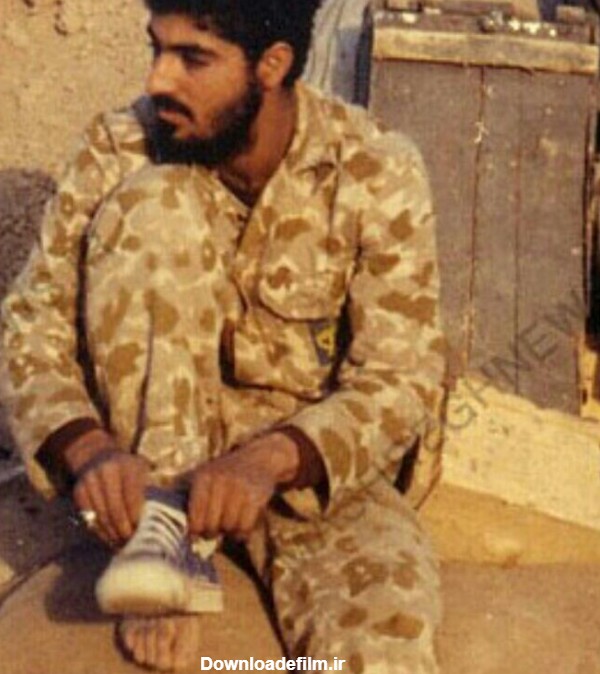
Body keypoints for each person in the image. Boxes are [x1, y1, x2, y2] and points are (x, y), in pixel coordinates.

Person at [0, 0, 446, 671]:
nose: (158, 80)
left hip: (300, 465)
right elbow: (32, 322)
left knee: (386, 639)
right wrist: (88, 449)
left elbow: (403, 377)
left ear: (272, 66)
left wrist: (271, 461)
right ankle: (164, 540)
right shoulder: (118, 147)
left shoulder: (374, 168)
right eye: (157, 48)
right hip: (150, 461)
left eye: (193, 59)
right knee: (156, 202)